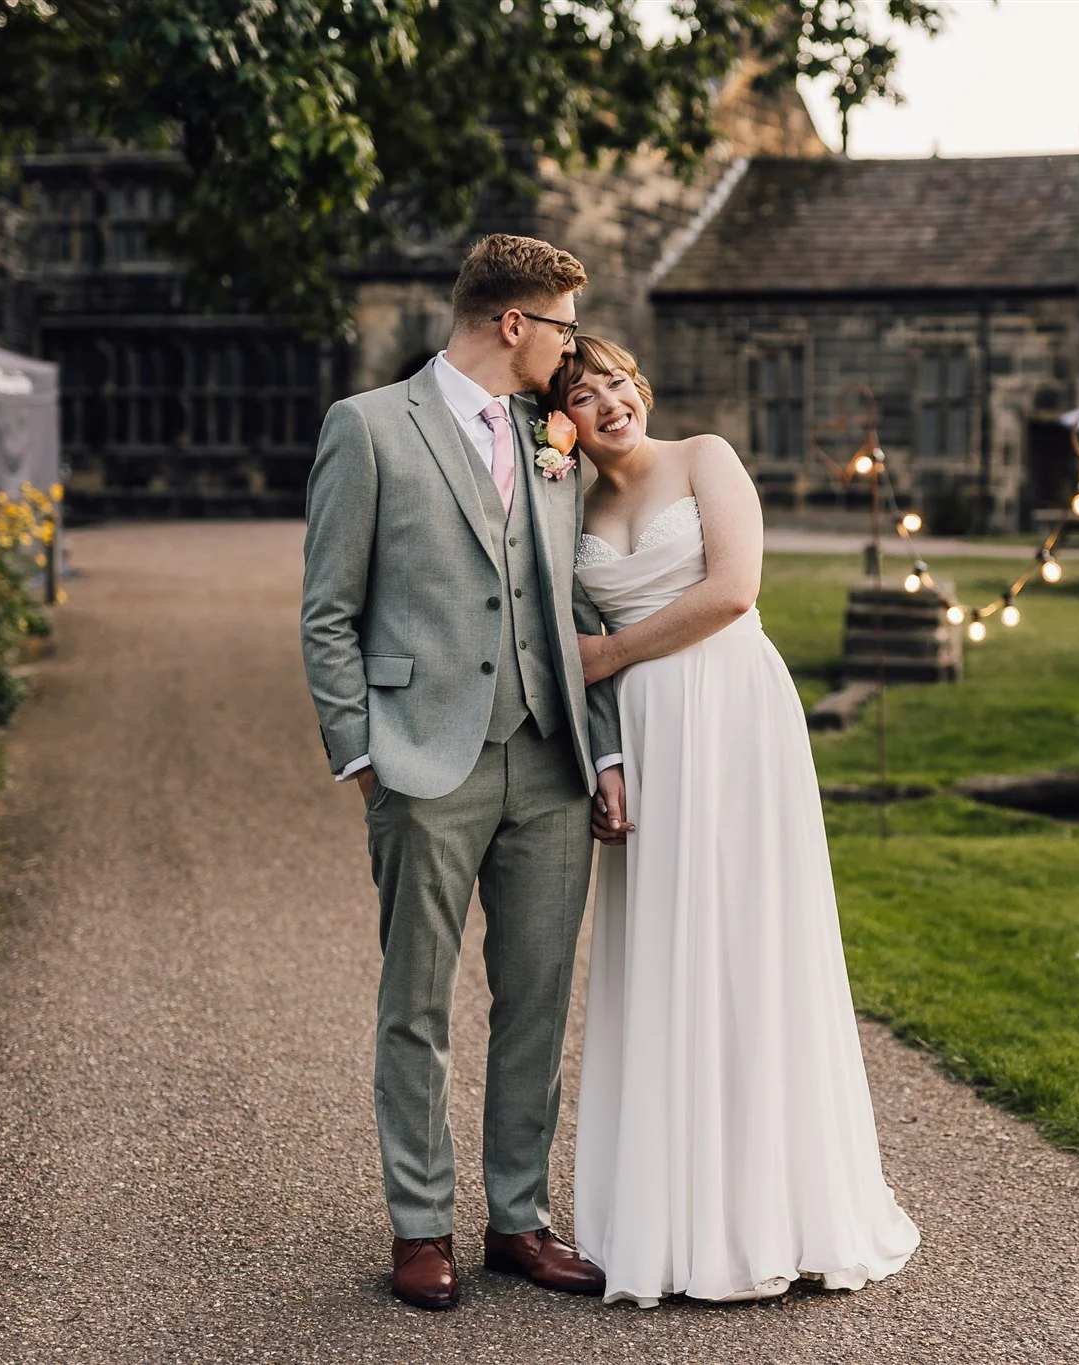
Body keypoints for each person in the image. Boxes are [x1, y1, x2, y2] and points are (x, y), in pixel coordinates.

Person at [299, 234, 628, 1311]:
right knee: (417, 1006)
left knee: (533, 1000)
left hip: (548, 762)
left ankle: (519, 1220)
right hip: (420, 763)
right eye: (565, 329)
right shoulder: (368, 428)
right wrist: (361, 754)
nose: (574, 353)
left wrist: (605, 745)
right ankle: (419, 1225)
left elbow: (576, 600)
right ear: (513, 325)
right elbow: (328, 613)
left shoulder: (553, 437)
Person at [558, 335, 921, 1307]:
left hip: (735, 720)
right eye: (580, 394)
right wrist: (609, 752)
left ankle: (774, 1209)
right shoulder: (568, 510)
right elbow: (562, 641)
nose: (606, 402)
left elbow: (733, 592)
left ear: (642, 386)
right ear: (565, 421)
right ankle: (667, 1219)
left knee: (751, 946)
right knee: (663, 957)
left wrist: (609, 654)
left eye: (615, 383)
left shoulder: (705, 458)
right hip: (646, 739)